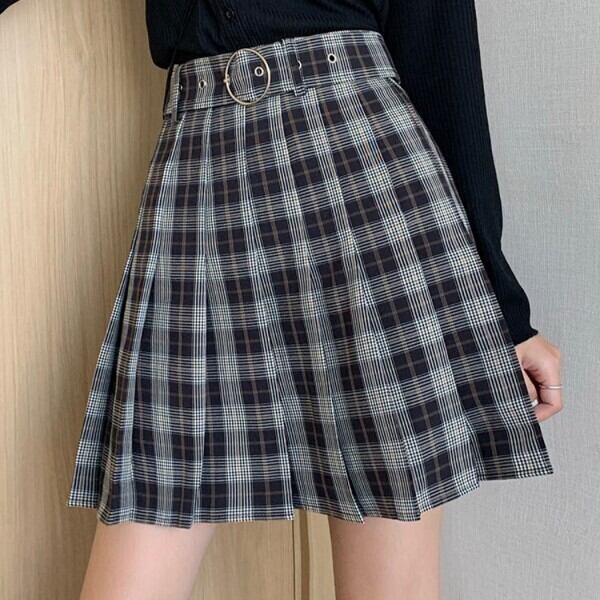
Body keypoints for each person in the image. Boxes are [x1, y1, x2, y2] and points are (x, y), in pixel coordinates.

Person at [2, 1, 562, 599]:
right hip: (200, 168)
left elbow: (440, 53)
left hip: (361, 164)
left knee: (388, 582)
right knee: (145, 512)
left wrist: (507, 313)